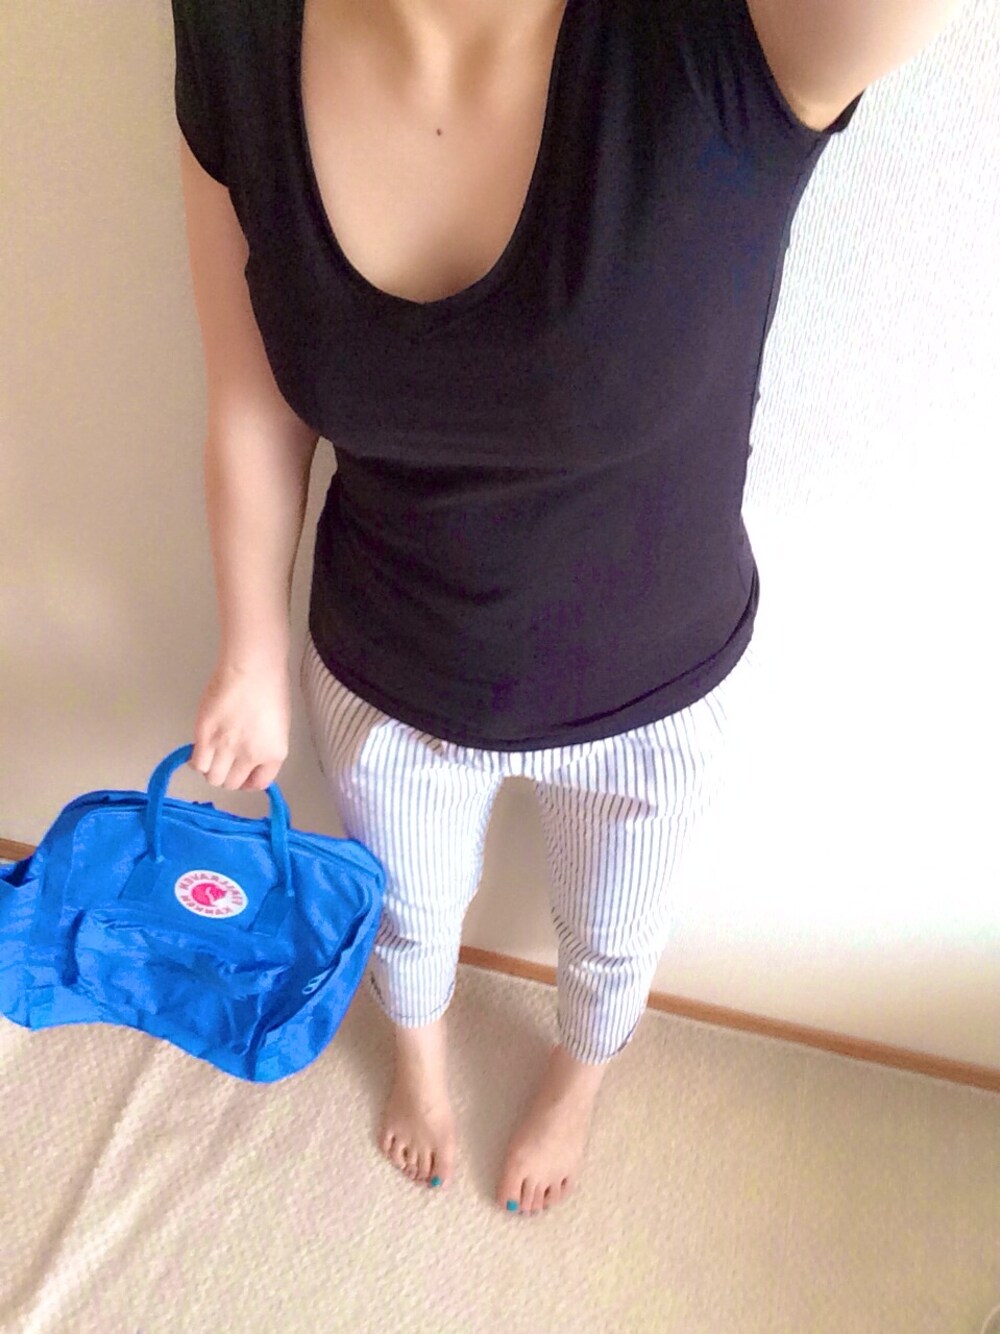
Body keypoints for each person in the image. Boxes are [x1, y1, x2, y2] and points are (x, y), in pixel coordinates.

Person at [171, 0, 872, 1217]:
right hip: (388, 668)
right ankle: (420, 1067)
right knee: (407, 918)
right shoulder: (233, 29)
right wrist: (250, 653)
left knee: (612, 935)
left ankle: (577, 1082)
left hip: (653, 691)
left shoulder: (737, 40)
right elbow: (252, 400)